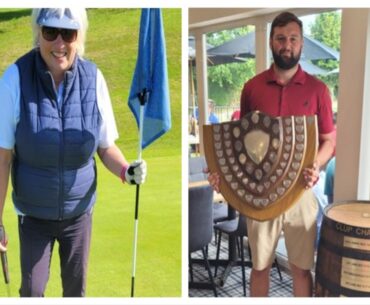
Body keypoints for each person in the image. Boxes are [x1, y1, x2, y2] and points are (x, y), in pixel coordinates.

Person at [0, 8, 147, 297]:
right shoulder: (14, 79)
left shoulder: (94, 78)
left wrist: (126, 171)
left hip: (79, 215)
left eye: (68, 33)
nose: (59, 43)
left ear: (79, 36)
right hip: (33, 216)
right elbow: (3, 157)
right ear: (38, 32)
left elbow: (105, 146)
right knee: (31, 290)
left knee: (75, 291)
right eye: (50, 32)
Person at [208, 12, 335, 297]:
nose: (286, 45)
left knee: (302, 269)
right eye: (280, 39)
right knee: (260, 266)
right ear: (271, 42)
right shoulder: (251, 88)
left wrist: (316, 164)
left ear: (301, 44)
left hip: (301, 190)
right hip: (260, 191)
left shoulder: (319, 90)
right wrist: (223, 175)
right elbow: (238, 142)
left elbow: (329, 140)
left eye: (292, 39)